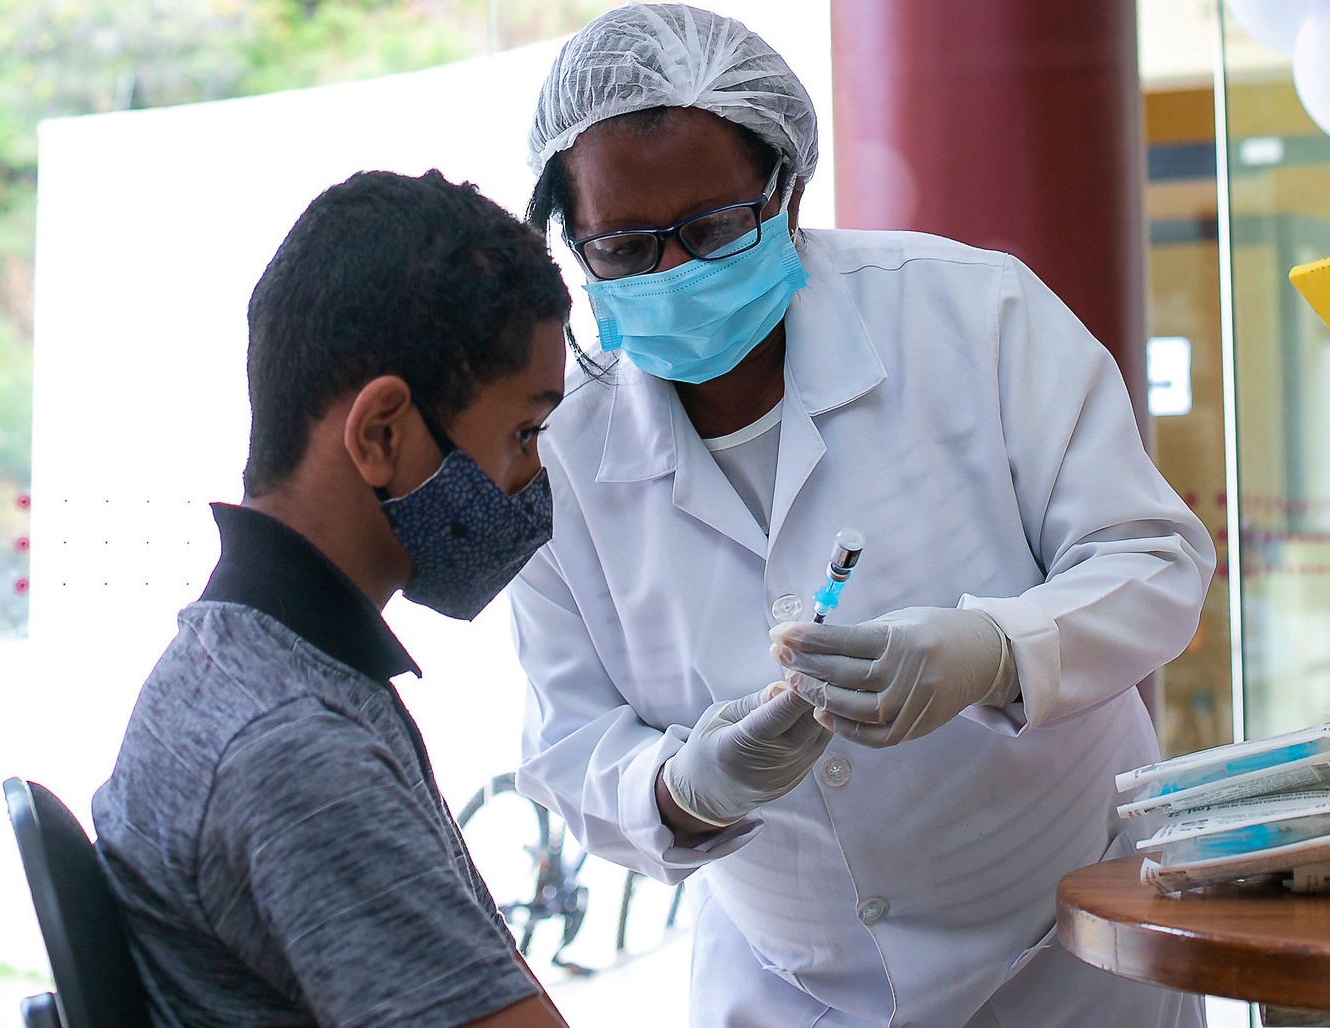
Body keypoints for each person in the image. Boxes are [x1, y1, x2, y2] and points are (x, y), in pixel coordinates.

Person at [509, 5, 1216, 1027]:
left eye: (710, 231)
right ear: (573, 245)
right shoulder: (557, 451)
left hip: (1068, 963)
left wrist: (997, 649)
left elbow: (1156, 560)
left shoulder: (970, 316)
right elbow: (568, 740)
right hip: (787, 988)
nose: (674, 274)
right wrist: (684, 786)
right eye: (624, 247)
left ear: (788, 194)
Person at [92, 169, 573, 1027]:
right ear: (382, 432)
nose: (531, 477)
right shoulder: (291, 749)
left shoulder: (246, 661)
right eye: (523, 432)